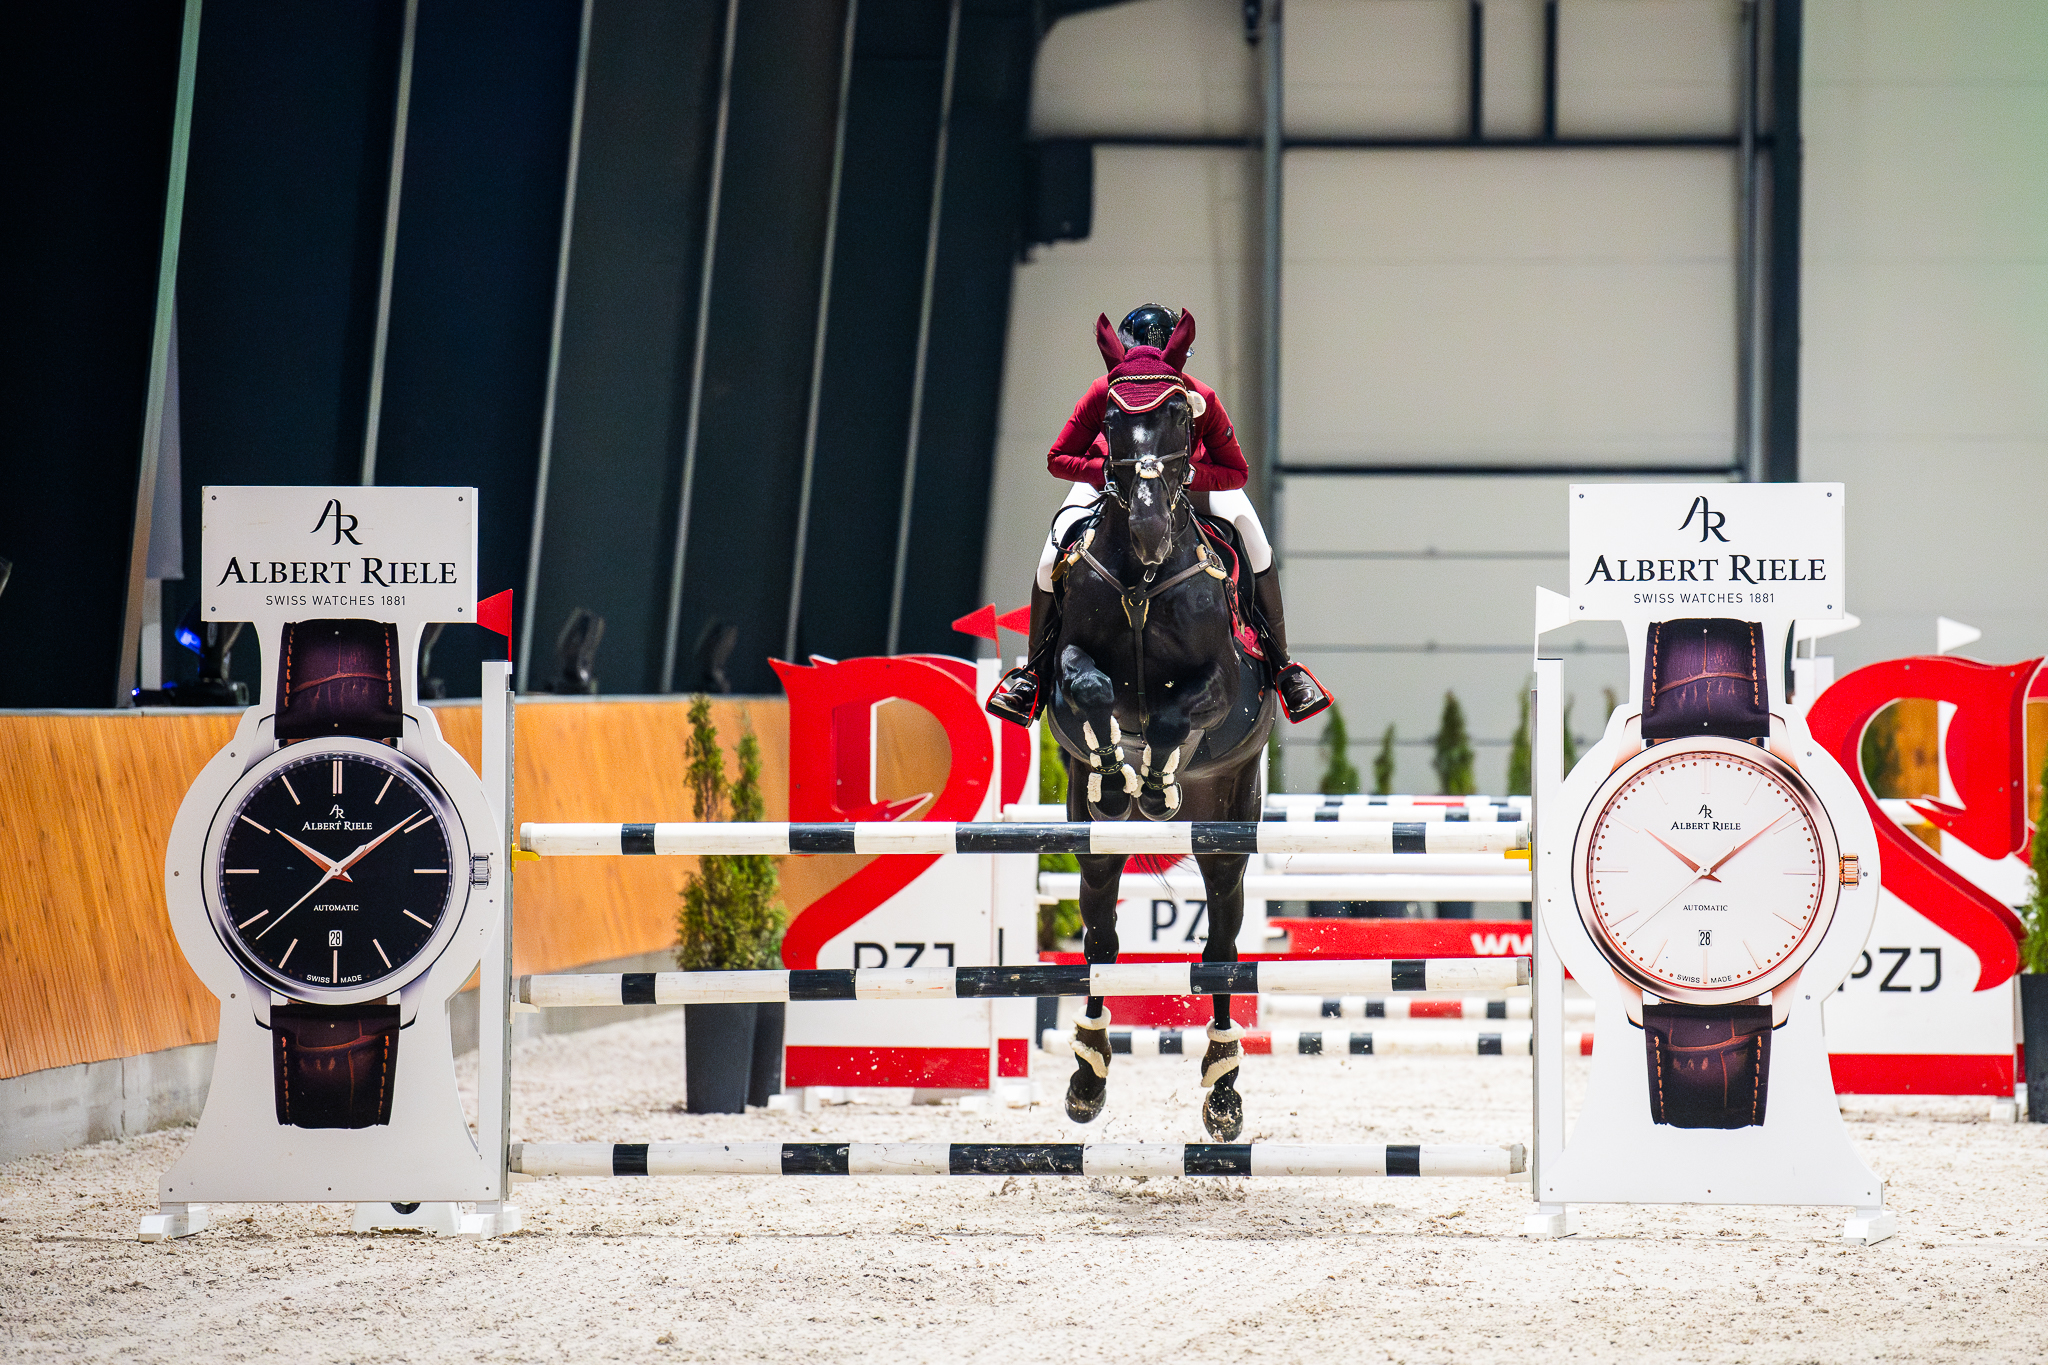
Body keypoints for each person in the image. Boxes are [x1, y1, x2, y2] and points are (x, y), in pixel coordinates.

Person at [986, 304, 1331, 726]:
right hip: (1111, 481)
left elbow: (1236, 471)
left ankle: (1282, 666)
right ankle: (1035, 675)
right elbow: (1058, 458)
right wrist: (1109, 471)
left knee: (1254, 540)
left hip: (1188, 482)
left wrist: (1187, 474)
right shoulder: (1103, 391)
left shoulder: (1200, 397)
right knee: (1048, 562)